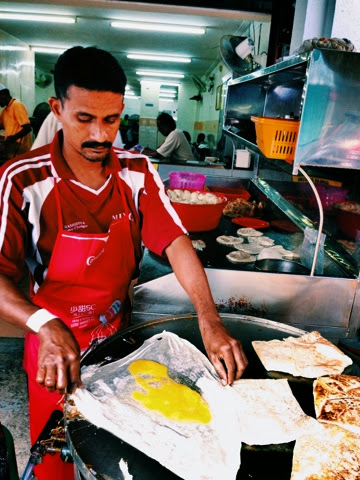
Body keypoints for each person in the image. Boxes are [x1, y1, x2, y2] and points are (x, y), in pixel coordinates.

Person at [0, 46, 247, 479]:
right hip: (52, 350)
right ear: (58, 109)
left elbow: (175, 242)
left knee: (119, 458)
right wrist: (45, 324)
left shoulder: (137, 170)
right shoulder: (23, 178)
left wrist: (209, 318)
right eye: (85, 119)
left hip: (118, 343)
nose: (100, 135)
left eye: (111, 119)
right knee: (56, 459)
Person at [32, 110, 124, 150]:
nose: (99, 137)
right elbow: (35, 159)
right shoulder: (59, 115)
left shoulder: (109, 113)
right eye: (83, 118)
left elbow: (117, 155)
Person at [0, 84, 32, 160]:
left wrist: (12, 138)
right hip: (12, 152)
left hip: (21, 152)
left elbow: (27, 128)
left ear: (4, 94)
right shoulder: (5, 111)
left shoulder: (17, 105)